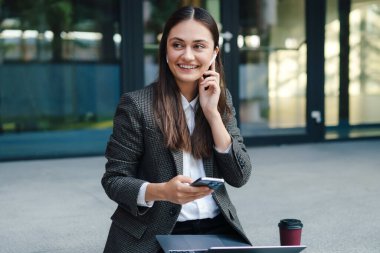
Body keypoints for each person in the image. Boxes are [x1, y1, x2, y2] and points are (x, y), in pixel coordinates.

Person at [101, 6, 252, 253]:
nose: (188, 56)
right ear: (166, 50)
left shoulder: (221, 101)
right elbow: (114, 180)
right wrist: (162, 191)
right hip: (155, 233)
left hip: (216, 229)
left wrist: (213, 114)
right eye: (178, 45)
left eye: (199, 46)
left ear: (214, 53)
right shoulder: (137, 105)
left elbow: (240, 176)